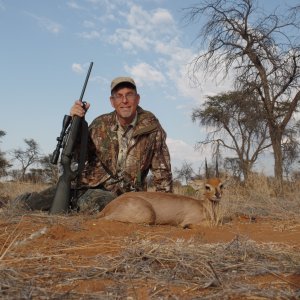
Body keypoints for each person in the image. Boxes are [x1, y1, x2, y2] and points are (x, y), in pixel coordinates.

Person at [16, 76, 173, 212]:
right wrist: (76, 123)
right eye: (119, 96)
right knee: (33, 203)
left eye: (129, 95)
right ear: (112, 102)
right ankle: (17, 200)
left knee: (96, 203)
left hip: (121, 195)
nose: (124, 101)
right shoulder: (100, 124)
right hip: (84, 185)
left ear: (137, 99)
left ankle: (76, 206)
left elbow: (162, 171)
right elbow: (79, 156)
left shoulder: (152, 127)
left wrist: (167, 208)